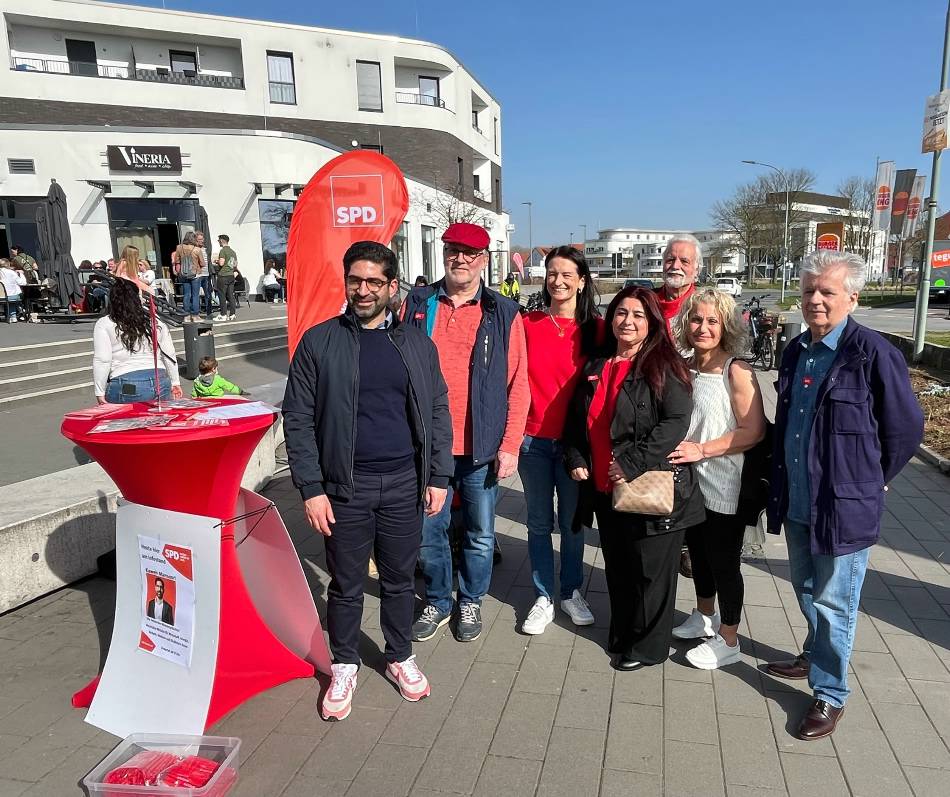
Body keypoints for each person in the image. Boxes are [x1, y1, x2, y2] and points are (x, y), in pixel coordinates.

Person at [283, 240, 453, 722]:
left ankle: (400, 656)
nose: (363, 290)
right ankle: (343, 663)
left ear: (391, 287)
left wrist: (438, 474)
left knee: (400, 580)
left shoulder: (417, 345)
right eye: (355, 280)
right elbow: (296, 418)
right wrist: (311, 488)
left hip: (404, 484)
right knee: (346, 583)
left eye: (373, 282)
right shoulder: (319, 342)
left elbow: (438, 411)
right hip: (344, 488)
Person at [765, 250, 923, 740]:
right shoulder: (796, 350)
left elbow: (906, 427)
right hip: (797, 496)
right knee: (805, 587)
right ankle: (814, 654)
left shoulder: (872, 352)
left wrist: (873, 477)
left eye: (827, 291)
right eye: (810, 289)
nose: (816, 299)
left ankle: (830, 693)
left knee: (836, 601)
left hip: (843, 505)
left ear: (851, 298)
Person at [563, 286, 704, 670]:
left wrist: (633, 462)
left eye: (638, 315)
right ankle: (623, 634)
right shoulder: (597, 364)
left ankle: (648, 648)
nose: (628, 321)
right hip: (607, 489)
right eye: (621, 313)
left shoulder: (663, 364)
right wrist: (576, 455)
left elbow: (676, 420)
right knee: (621, 568)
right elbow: (578, 419)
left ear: (652, 322)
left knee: (651, 575)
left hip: (650, 486)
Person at [403, 222, 529, 644]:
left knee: (480, 533)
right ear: (444, 253)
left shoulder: (502, 311)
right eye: (454, 250)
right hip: (427, 447)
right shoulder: (418, 304)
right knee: (428, 532)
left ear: (484, 260)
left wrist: (510, 444)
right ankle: (438, 600)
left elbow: (519, 384)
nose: (460, 259)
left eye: (470, 253)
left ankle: (471, 599)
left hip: (479, 448)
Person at [668, 289, 766, 669]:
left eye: (712, 321)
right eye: (696, 319)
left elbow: (752, 431)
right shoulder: (685, 365)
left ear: (725, 326)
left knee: (724, 561)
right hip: (689, 481)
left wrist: (702, 450)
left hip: (725, 481)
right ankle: (704, 616)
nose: (703, 327)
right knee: (699, 556)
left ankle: (729, 638)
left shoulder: (736, 370)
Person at [520, 246, 603, 635]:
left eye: (567, 274)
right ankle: (542, 596)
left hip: (576, 448)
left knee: (572, 524)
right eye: (552, 273)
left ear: (582, 280)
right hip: (533, 440)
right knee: (538, 522)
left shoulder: (598, 330)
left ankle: (570, 591)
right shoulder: (527, 324)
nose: (558, 281)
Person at [656, 233, 703, 580]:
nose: (676, 266)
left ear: (696, 268)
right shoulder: (649, 301)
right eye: (671, 259)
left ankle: (687, 541)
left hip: (696, 402)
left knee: (689, 473)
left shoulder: (704, 304)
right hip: (654, 404)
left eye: (684, 261)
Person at [93, 277, 183, 404]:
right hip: (159, 379)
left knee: (124, 421)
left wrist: (100, 391)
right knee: (160, 422)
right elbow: (169, 353)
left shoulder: (105, 323)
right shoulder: (153, 320)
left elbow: (102, 359)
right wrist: (175, 381)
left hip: (126, 382)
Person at [172, 231, 203, 322]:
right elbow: (202, 263)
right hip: (195, 274)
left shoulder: (179, 247)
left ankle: (186, 316)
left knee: (186, 294)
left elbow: (176, 260)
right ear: (194, 238)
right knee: (195, 295)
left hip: (184, 274)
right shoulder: (197, 249)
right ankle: (195, 315)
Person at [215, 234, 238, 321]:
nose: (218, 242)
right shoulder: (233, 252)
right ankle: (232, 314)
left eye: (218, 240)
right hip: (231, 275)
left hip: (223, 275)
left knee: (222, 295)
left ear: (221, 240)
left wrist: (216, 261)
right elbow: (235, 265)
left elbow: (221, 263)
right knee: (231, 295)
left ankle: (223, 314)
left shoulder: (223, 251)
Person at [0, 258, 26, 322]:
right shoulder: (11, 272)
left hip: (1, 296)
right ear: (8, 264)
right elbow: (23, 283)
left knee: (10, 296)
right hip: (11, 297)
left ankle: (12, 315)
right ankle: (14, 315)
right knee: (14, 295)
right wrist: (21, 274)